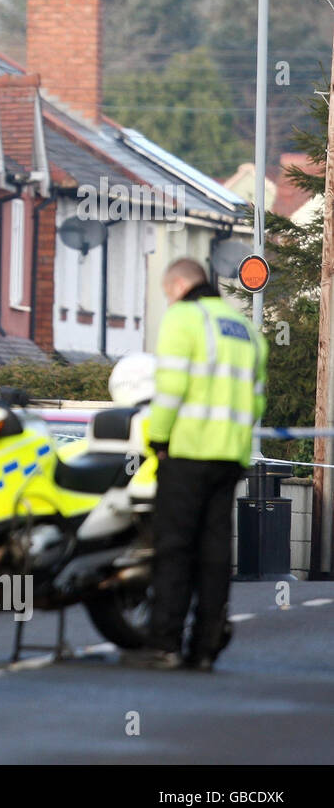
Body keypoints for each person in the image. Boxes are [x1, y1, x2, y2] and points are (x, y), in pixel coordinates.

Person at [123, 258, 267, 671]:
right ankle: (205, 648)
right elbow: (257, 400)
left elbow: (170, 389)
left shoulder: (184, 319)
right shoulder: (247, 331)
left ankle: (165, 643)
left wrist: (160, 437)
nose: (168, 300)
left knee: (175, 547)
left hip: (187, 453)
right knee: (215, 550)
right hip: (231, 455)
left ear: (180, 284)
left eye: (168, 292)